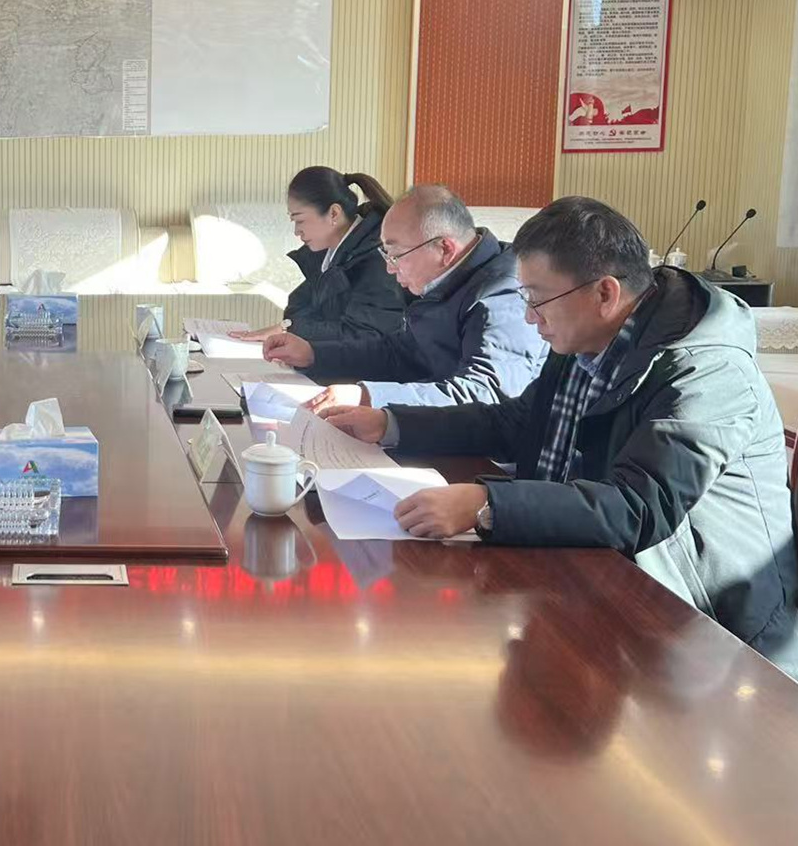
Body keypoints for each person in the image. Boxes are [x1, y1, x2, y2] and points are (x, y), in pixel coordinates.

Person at [324, 197, 798, 677]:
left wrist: (487, 504)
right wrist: (392, 423)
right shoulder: (588, 335)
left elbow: (637, 507)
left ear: (604, 293)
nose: (530, 318)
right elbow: (516, 423)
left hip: (709, 636)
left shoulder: (704, 371)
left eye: (536, 298)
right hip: (587, 578)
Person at [263, 184, 545, 409]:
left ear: (445, 249)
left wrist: (367, 396)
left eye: (396, 255)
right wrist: (314, 353)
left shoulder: (501, 294)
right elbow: (398, 353)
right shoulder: (445, 280)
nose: (389, 268)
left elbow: (487, 393)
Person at [232, 166, 407, 344]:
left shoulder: (378, 260)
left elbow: (364, 335)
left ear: (333, 213)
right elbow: (300, 307)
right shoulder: (327, 256)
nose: (296, 231)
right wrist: (287, 328)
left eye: (300, 220)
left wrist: (289, 330)